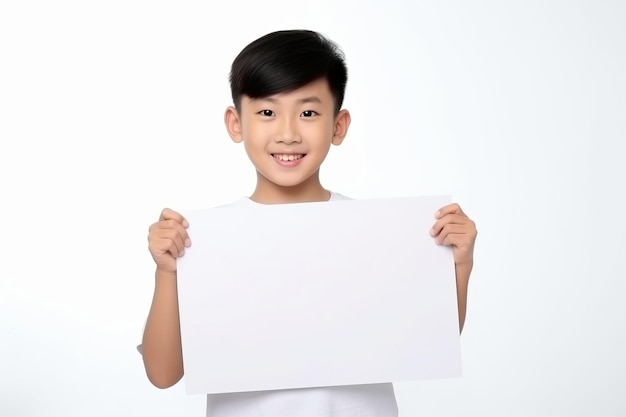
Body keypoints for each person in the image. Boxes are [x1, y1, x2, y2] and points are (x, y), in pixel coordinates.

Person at [140, 29, 477, 417]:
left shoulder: (380, 235)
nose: (287, 133)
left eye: (308, 112)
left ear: (338, 125)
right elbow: (163, 374)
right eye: (267, 112)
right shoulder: (202, 239)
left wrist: (460, 265)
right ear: (236, 123)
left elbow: (427, 342)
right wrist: (167, 271)